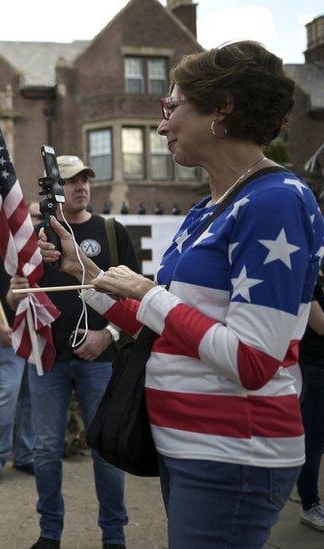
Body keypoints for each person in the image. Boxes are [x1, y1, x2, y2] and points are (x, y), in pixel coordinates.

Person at [41, 41, 324, 548]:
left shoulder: (275, 200)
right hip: (191, 446)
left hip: (233, 453)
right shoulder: (207, 209)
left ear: (222, 107)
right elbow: (164, 328)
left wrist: (148, 293)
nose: (162, 125)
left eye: (171, 107)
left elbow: (254, 360)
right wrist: (85, 273)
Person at [11, 156, 138, 549]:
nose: (80, 186)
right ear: (54, 191)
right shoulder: (35, 239)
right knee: (46, 450)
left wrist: (109, 334)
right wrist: (17, 284)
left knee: (106, 448)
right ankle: (50, 534)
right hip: (49, 359)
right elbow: (16, 295)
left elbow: (138, 294)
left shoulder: (112, 231)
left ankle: (114, 537)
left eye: (85, 179)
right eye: (70, 181)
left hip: (100, 362)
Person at [0, 241, 34, 485]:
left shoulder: (37, 250)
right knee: (8, 393)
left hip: (35, 335)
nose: (34, 222)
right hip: (7, 334)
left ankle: (25, 454)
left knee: (30, 395)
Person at [297, 277, 324, 532]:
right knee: (313, 442)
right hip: (315, 369)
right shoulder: (311, 278)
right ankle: (309, 504)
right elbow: (320, 324)